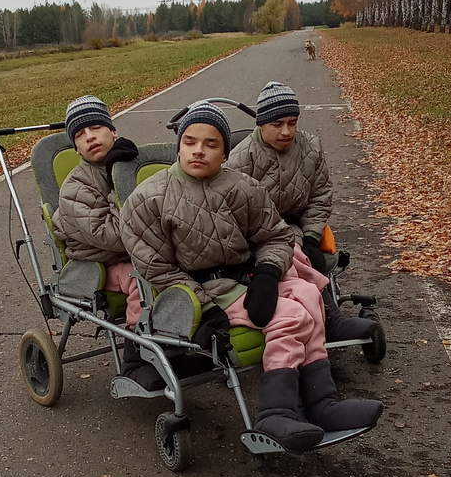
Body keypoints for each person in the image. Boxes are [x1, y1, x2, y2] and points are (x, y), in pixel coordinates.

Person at [119, 100, 383, 451]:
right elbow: (156, 268)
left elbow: (275, 236)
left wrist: (268, 273)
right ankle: (275, 414)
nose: (199, 150)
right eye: (190, 142)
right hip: (201, 289)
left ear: (225, 153)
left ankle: (322, 404)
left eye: (211, 144)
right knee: (291, 316)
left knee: (309, 294)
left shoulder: (242, 186)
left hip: (245, 276)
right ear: (179, 146)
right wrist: (202, 307)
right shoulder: (147, 199)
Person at [228, 81, 377, 343]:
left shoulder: (310, 148)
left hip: (294, 225)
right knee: (290, 254)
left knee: (297, 248)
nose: (286, 131)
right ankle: (329, 320)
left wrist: (311, 237)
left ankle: (315, 318)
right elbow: (230, 212)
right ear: (261, 124)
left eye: (292, 123)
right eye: (277, 124)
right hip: (256, 233)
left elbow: (320, 197)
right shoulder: (240, 159)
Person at [50, 95, 160, 388]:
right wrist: (117, 185)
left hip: (143, 249)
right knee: (142, 277)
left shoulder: (133, 164)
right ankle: (136, 359)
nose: (90, 137)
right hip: (103, 261)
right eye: (80, 135)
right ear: (76, 148)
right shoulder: (75, 189)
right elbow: (114, 237)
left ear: (113, 131)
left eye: (96, 127)